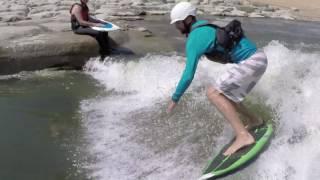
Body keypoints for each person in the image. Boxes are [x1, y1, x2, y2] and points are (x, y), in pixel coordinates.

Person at [166, 2, 268, 156]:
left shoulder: (195, 38)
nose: (177, 28)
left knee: (213, 93)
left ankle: (243, 136)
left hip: (252, 61)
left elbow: (188, 75)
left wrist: (175, 99)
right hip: (259, 59)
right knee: (225, 94)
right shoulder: (207, 27)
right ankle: (254, 120)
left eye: (178, 24)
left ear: (187, 20)